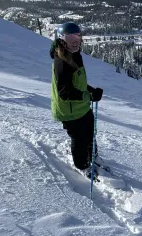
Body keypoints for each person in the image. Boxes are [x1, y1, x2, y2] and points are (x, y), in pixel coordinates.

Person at [50, 22, 104, 178]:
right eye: (70, 36)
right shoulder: (61, 62)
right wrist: (88, 95)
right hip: (69, 109)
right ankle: (83, 165)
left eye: (78, 36)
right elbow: (64, 91)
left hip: (81, 105)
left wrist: (91, 90)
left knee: (90, 131)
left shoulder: (75, 55)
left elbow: (77, 82)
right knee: (79, 137)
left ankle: (93, 156)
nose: (75, 40)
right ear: (61, 39)